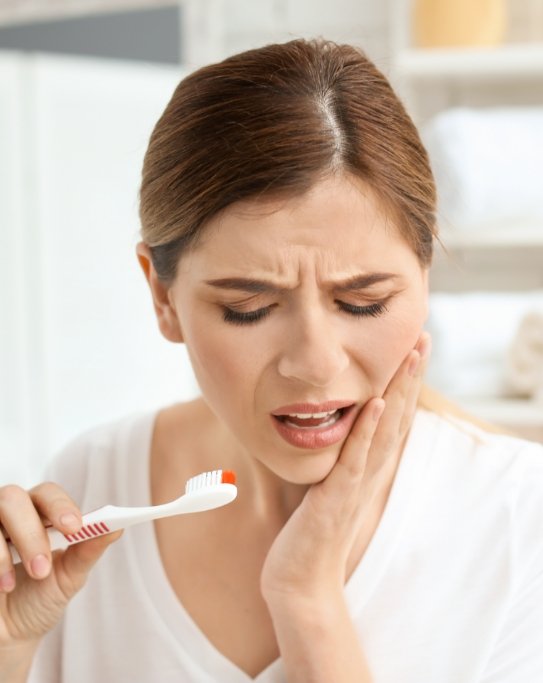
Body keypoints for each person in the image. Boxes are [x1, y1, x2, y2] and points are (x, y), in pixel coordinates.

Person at [1, 38, 542, 683]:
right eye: (249, 308)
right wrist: (9, 648)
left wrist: (307, 599)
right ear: (162, 295)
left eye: (364, 302)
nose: (313, 364)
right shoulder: (94, 487)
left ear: (423, 278)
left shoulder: (518, 519)